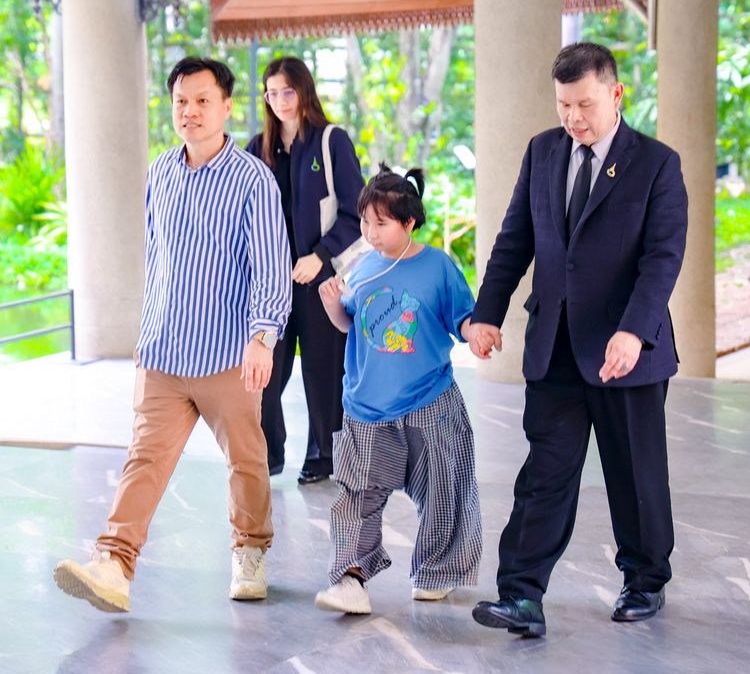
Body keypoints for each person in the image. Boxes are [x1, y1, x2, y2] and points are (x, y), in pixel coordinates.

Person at [52, 57, 291, 612]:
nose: (190, 111)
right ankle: (114, 564)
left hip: (228, 354)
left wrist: (263, 337)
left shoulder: (253, 180)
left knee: (247, 461)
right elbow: (157, 260)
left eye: (203, 100)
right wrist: (146, 332)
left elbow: (271, 266)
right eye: (182, 101)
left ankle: (250, 551)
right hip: (164, 351)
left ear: (226, 107)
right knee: (144, 459)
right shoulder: (160, 171)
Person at [467, 42, 688, 637]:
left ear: (615, 95)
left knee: (635, 474)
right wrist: (487, 313)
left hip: (626, 352)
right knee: (545, 472)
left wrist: (633, 331)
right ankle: (521, 594)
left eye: (584, 104)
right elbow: (515, 239)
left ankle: (645, 580)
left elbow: (663, 259)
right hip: (556, 346)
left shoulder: (656, 164)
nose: (573, 117)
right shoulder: (542, 152)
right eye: (564, 105)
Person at [312, 165, 482, 615]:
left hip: (430, 399)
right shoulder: (361, 265)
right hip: (368, 405)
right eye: (365, 221)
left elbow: (462, 319)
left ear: (408, 222)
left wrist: (478, 333)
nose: (370, 233)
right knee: (357, 494)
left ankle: (436, 572)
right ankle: (350, 579)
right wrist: (332, 306)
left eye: (380, 223)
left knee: (445, 486)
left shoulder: (438, 266)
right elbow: (350, 324)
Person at [245, 57, 366, 485]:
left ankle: (324, 454)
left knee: (323, 371)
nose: (279, 100)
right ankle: (267, 453)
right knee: (265, 370)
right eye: (271, 93)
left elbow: (356, 212)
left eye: (287, 91)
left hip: (319, 280)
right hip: (271, 285)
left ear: (304, 91)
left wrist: (320, 255)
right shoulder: (257, 149)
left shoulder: (331, 142)